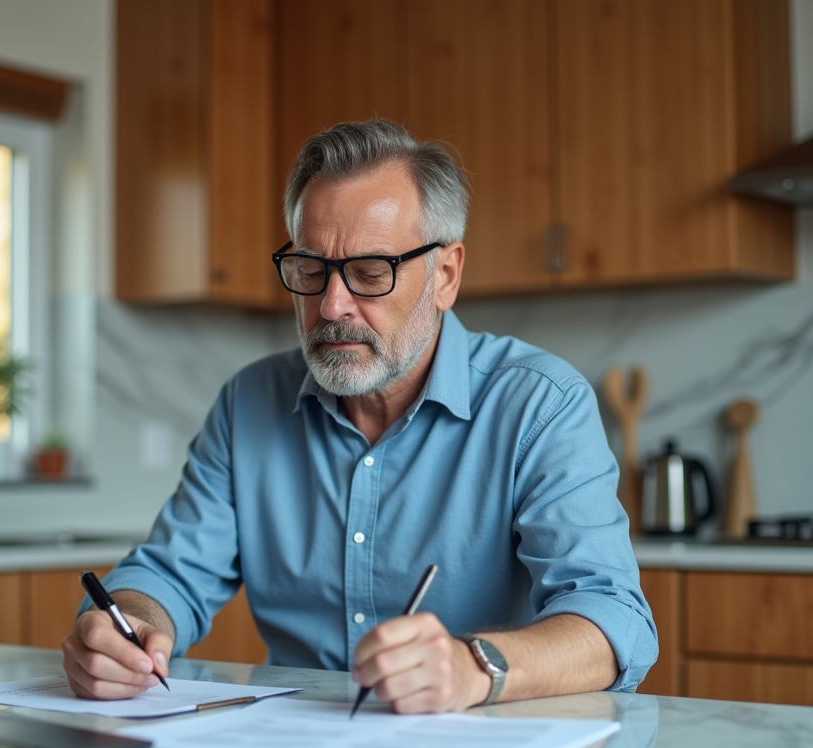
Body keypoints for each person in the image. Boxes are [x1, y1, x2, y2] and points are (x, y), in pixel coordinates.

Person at [63, 120, 657, 713]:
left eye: (372, 273)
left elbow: (613, 618)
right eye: (310, 270)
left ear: (445, 275)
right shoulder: (249, 404)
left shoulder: (539, 404)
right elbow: (170, 571)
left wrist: (473, 667)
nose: (331, 306)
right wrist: (127, 623)